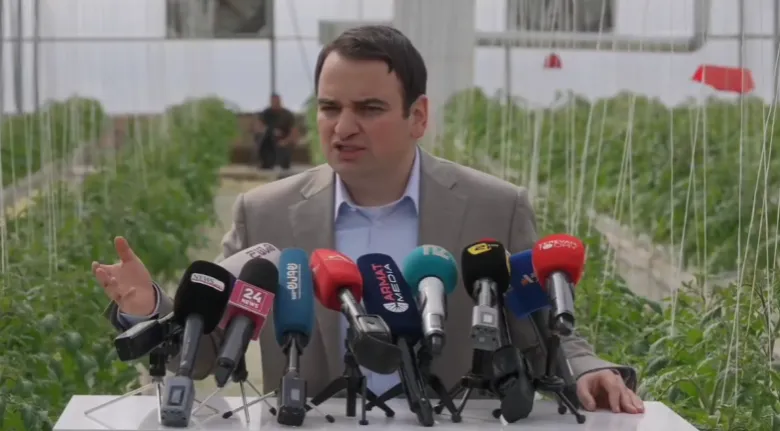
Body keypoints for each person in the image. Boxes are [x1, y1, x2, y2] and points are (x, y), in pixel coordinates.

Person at [94, 25, 644, 414]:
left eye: (369, 108)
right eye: (330, 107)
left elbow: (543, 332)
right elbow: (208, 350)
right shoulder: (265, 215)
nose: (343, 127)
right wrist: (149, 307)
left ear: (418, 116)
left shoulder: (493, 208)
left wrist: (587, 369)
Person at [254, 93, 296, 172]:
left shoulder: (287, 114)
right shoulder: (266, 113)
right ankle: (264, 162)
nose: (275, 103)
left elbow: (293, 131)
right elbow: (258, 127)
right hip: (269, 140)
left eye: (277, 101)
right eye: (273, 102)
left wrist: (285, 141)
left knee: (283, 161)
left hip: (284, 140)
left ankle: (282, 163)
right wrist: (268, 131)